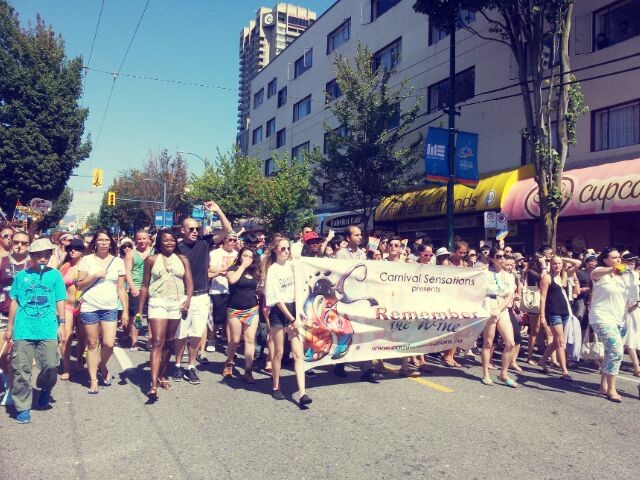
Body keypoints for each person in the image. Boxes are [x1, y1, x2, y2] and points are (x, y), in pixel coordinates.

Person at [4, 238, 66, 424]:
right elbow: (15, 302)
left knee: (51, 366)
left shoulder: (55, 276)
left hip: (48, 328)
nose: (43, 258)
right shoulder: (21, 277)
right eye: (38, 255)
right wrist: (10, 327)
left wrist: (62, 324)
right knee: (21, 369)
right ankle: (23, 407)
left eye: (46, 255)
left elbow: (60, 300)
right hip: (24, 329)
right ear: (31, 256)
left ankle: (45, 387)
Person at [173, 201, 232, 385]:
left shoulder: (204, 243)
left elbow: (228, 230)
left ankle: (191, 366)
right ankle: (177, 364)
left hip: (202, 296)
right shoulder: (176, 248)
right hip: (183, 296)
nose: (195, 232)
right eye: (191, 229)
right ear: (182, 230)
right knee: (181, 334)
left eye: (197, 229)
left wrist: (218, 210)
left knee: (197, 333)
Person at [138, 230, 193, 400]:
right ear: (159, 243)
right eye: (165, 240)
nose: (169, 243)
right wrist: (139, 311)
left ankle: (162, 375)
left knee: (169, 342)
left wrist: (188, 299)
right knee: (157, 342)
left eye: (172, 240)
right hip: (158, 302)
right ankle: (153, 385)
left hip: (176, 303)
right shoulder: (151, 260)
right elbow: (145, 285)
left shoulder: (182, 259)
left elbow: (189, 282)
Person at [76, 230, 128, 394]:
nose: (104, 243)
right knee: (92, 344)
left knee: (109, 343)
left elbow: (121, 288)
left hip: (110, 307)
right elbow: (79, 285)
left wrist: (125, 311)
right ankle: (93, 380)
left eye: (106, 240)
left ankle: (102, 364)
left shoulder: (118, 262)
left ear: (111, 242)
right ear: (95, 242)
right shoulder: (87, 260)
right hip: (90, 306)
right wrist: (95, 275)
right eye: (100, 240)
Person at [264, 237, 311, 405]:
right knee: (279, 352)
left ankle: (302, 392)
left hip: (293, 309)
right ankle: (276, 386)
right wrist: (291, 319)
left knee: (298, 353)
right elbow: (276, 298)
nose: (286, 251)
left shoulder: (293, 266)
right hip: (279, 311)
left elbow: (301, 288)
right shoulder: (273, 270)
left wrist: (298, 315)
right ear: (275, 250)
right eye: (282, 248)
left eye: (287, 248)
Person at [590, 248, 627, 402]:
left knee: (610, 352)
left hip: (618, 319)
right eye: (614, 257)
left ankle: (603, 386)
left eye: (619, 257)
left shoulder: (621, 277)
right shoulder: (599, 272)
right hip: (602, 318)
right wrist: (613, 269)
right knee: (617, 352)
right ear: (605, 259)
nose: (618, 260)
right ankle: (612, 390)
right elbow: (596, 273)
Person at [537, 255, 581, 380]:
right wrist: (542, 316)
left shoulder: (564, 276)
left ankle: (543, 360)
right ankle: (564, 371)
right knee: (561, 342)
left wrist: (563, 258)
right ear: (551, 265)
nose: (557, 265)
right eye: (555, 263)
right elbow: (542, 298)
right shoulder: (547, 278)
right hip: (553, 312)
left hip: (565, 312)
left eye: (559, 263)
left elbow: (578, 263)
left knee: (558, 340)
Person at [0, 230, 31, 406]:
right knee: (3, 354)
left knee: (17, 357)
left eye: (24, 243)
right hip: (3, 313)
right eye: (16, 242)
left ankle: (14, 388)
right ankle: (7, 379)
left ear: (29, 245)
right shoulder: (2, 261)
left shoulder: (34, 264)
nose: (19, 245)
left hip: (27, 316)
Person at [480, 247, 518, 387]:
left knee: (510, 343)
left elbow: (510, 295)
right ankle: (486, 374)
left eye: (504, 256)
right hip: (489, 305)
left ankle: (504, 374)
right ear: (492, 258)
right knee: (488, 343)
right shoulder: (485, 274)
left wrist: (499, 308)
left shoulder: (509, 276)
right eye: (498, 256)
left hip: (502, 307)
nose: (502, 259)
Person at [223, 247, 261, 382]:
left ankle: (248, 371)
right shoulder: (233, 269)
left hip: (252, 310)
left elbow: (257, 288)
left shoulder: (255, 272)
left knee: (250, 340)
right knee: (235, 340)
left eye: (250, 257)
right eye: (245, 255)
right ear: (239, 256)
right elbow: (232, 280)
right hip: (235, 310)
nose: (247, 259)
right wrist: (242, 266)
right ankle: (229, 362)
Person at [208, 232, 239, 360]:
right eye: (230, 240)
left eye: (234, 240)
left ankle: (229, 345)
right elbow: (211, 269)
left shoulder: (237, 254)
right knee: (216, 318)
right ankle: (211, 339)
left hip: (233, 290)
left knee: (230, 319)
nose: (232, 242)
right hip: (217, 289)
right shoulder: (215, 253)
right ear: (224, 240)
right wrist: (224, 270)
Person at [58, 238, 85, 380]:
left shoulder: (87, 265)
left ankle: (79, 359)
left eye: (76, 248)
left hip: (83, 307)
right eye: (70, 248)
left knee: (82, 338)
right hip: (67, 306)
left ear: (82, 251)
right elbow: (57, 287)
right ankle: (66, 368)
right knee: (65, 338)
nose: (73, 250)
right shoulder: (64, 267)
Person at [124, 230, 152, 351]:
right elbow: (127, 271)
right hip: (137, 287)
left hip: (152, 287)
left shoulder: (154, 252)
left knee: (152, 315)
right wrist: (132, 287)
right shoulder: (131, 254)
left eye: (144, 238)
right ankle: (134, 342)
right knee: (137, 315)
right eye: (139, 239)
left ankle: (150, 341)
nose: (141, 241)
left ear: (148, 239)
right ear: (136, 240)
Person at [622, 252, 640, 376]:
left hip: (636, 309)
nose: (632, 263)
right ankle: (637, 367)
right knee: (630, 339)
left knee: (634, 338)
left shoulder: (635, 274)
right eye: (629, 261)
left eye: (633, 261)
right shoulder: (620, 274)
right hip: (626, 309)